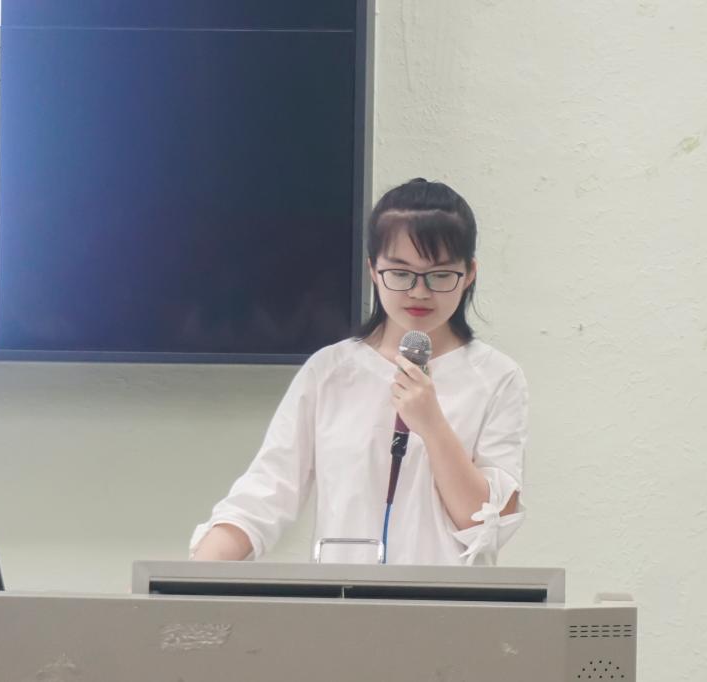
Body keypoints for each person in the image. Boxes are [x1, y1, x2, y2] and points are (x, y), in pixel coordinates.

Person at [190, 178, 528, 565]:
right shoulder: (330, 371)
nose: (419, 292)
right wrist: (191, 578)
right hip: (343, 596)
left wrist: (432, 424)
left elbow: (485, 524)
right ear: (373, 269)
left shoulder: (497, 377)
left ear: (469, 274)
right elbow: (265, 494)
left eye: (439, 275)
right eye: (400, 273)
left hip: (451, 599)